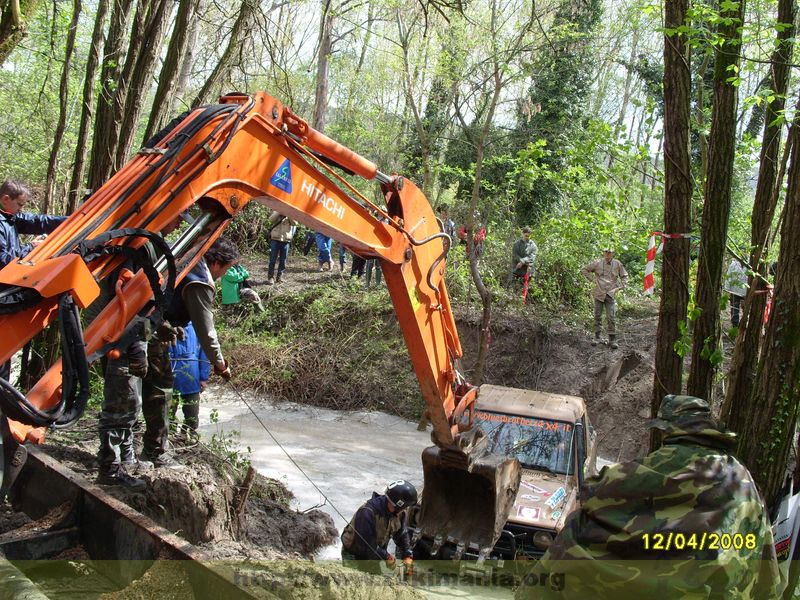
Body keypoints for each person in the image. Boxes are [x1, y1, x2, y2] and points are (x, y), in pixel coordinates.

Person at [516, 395, 780, 599]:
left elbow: (594, 495)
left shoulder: (649, 469)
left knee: (575, 530)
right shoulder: (742, 479)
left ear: (666, 430)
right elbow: (764, 557)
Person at [141, 237, 237, 469]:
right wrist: (221, 364)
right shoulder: (201, 279)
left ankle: (141, 452)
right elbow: (206, 331)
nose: (223, 275)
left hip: (142, 323)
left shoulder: (185, 256)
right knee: (159, 390)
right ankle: (152, 454)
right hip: (144, 332)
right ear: (216, 263)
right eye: (226, 269)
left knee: (148, 389)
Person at [0, 180, 67, 380]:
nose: (22, 209)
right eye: (20, 204)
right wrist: (31, 249)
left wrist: (72, 220)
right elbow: (4, 261)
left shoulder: (9, 217)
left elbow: (39, 221)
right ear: (5, 199)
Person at [341, 480, 417, 575]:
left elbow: (401, 534)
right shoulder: (367, 513)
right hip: (354, 554)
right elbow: (367, 547)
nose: (405, 510)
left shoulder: (399, 513)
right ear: (398, 504)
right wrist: (387, 557)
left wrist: (407, 555)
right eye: (405, 507)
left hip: (375, 552)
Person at [168, 321, 209, 436]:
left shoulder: (197, 326)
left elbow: (204, 352)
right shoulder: (164, 325)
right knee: (168, 413)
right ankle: (171, 437)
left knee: (192, 414)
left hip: (191, 375)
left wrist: (203, 378)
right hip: (169, 375)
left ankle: (188, 437)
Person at [581, 248, 628, 349]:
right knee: (597, 315)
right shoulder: (597, 263)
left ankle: (612, 339)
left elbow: (624, 276)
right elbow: (584, 270)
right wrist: (592, 279)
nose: (607, 254)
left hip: (610, 293)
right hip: (599, 292)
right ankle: (597, 337)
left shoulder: (617, 263)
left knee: (611, 316)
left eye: (610, 252)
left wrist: (620, 287)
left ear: (613, 254)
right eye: (606, 252)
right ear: (603, 253)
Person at [266, 210, 296, 285]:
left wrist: (288, 214)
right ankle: (270, 277)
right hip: (275, 239)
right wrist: (279, 211)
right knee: (272, 259)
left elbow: (294, 223)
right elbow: (270, 220)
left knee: (283, 260)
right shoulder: (276, 210)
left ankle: (280, 277)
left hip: (285, 240)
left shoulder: (291, 213)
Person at [511, 226, 538, 298]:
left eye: (529, 236)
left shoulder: (533, 246)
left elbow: (532, 257)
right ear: (522, 234)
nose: (527, 237)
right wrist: (520, 261)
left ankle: (523, 304)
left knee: (525, 290)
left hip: (527, 271)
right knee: (514, 289)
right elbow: (515, 255)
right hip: (517, 270)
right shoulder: (516, 244)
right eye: (526, 235)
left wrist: (522, 262)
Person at [724, 258, 747, 327]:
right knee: (734, 309)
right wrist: (727, 289)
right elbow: (728, 277)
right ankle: (735, 325)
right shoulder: (733, 264)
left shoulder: (749, 265)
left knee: (746, 309)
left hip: (745, 292)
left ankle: (744, 323)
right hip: (734, 291)